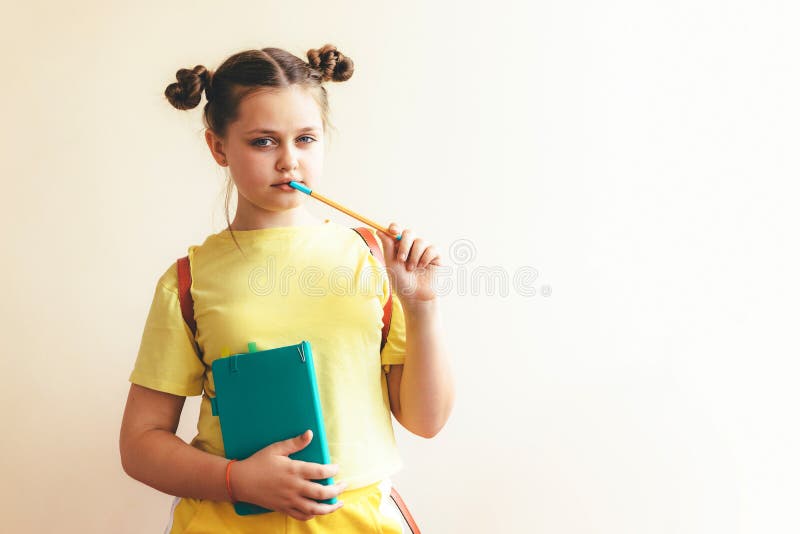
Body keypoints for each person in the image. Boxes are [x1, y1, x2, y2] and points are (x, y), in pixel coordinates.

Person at [118, 44, 455, 533]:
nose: (289, 162)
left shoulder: (372, 259)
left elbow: (427, 421)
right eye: (263, 142)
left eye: (305, 139)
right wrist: (239, 480)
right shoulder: (188, 281)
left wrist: (421, 307)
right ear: (218, 148)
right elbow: (139, 444)